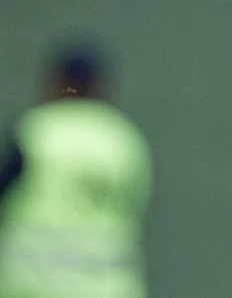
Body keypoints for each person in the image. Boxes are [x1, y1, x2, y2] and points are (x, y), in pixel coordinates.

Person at [0, 44, 152, 298]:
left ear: (57, 81)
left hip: (32, 285)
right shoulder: (126, 139)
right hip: (110, 287)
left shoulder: (37, 130)